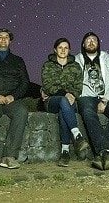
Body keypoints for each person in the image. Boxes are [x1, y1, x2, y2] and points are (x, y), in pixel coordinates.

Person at [74, 31, 109, 170]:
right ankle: (106, 151)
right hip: (86, 96)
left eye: (94, 40)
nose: (91, 42)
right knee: (87, 111)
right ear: (83, 44)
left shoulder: (108, 59)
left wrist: (106, 99)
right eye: (88, 40)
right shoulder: (76, 60)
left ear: (98, 43)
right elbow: (70, 80)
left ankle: (103, 151)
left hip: (106, 95)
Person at [0, 28, 30, 171]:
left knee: (21, 111)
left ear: (10, 41)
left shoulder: (18, 61)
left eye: (6, 37)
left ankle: (9, 155)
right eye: (0, 37)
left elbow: (24, 82)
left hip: (11, 99)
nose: (3, 40)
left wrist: (12, 96)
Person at [40, 37, 89, 166]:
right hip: (51, 101)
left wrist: (72, 94)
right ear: (55, 50)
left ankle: (65, 152)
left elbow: (79, 87)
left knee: (64, 111)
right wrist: (65, 93)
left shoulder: (76, 66)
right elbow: (48, 86)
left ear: (69, 50)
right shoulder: (48, 65)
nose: (63, 50)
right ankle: (77, 135)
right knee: (63, 100)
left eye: (66, 48)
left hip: (70, 101)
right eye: (60, 47)